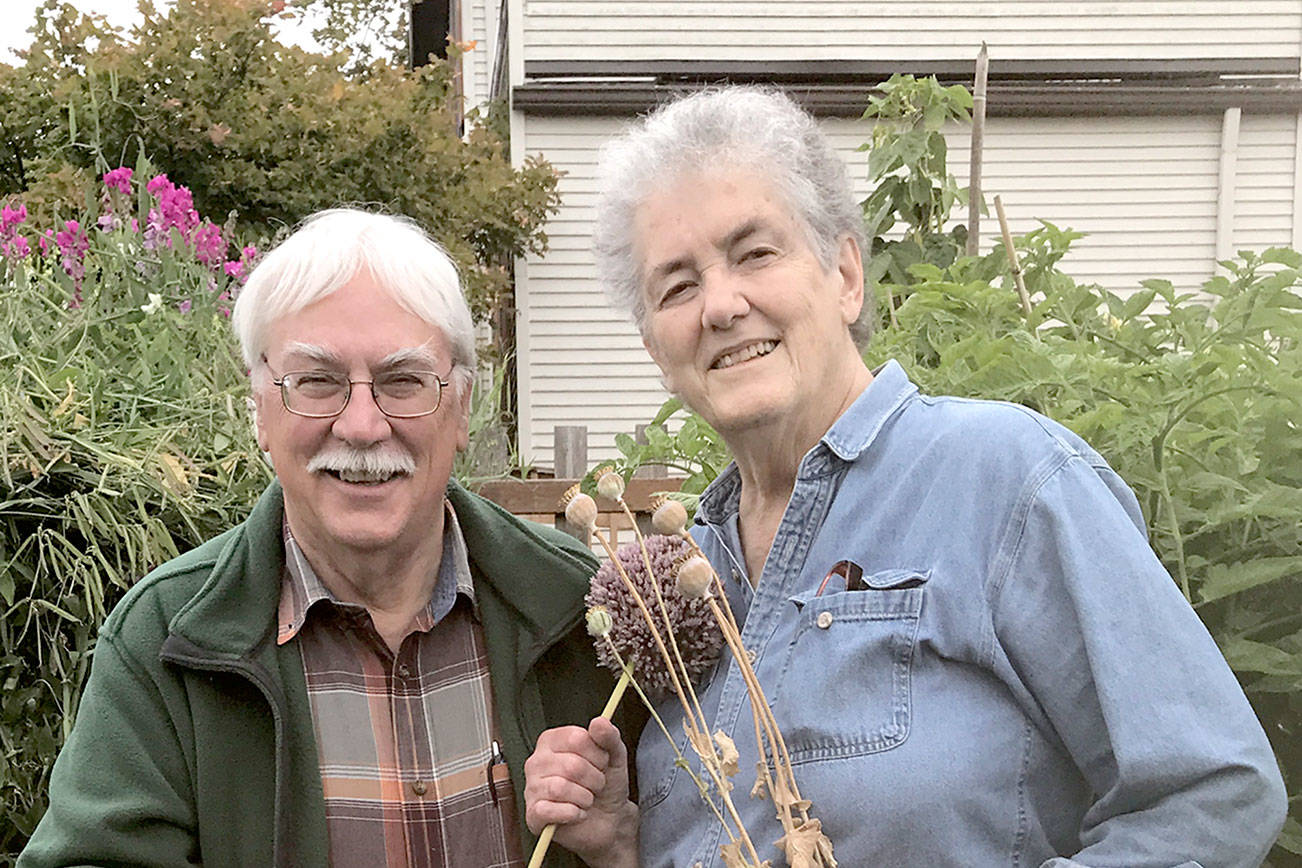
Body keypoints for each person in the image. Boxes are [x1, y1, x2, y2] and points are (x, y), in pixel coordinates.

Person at [522, 86, 1288, 867]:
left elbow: (1210, 792)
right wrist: (624, 843)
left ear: (846, 274)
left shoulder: (1005, 480)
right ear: (656, 346)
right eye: (677, 286)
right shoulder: (689, 576)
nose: (720, 304)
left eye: (755, 253)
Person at [20, 209, 623, 868]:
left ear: (462, 409)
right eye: (318, 383)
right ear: (259, 412)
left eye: (402, 381)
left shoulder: (586, 611)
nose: (362, 425)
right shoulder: (166, 641)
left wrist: (622, 845)